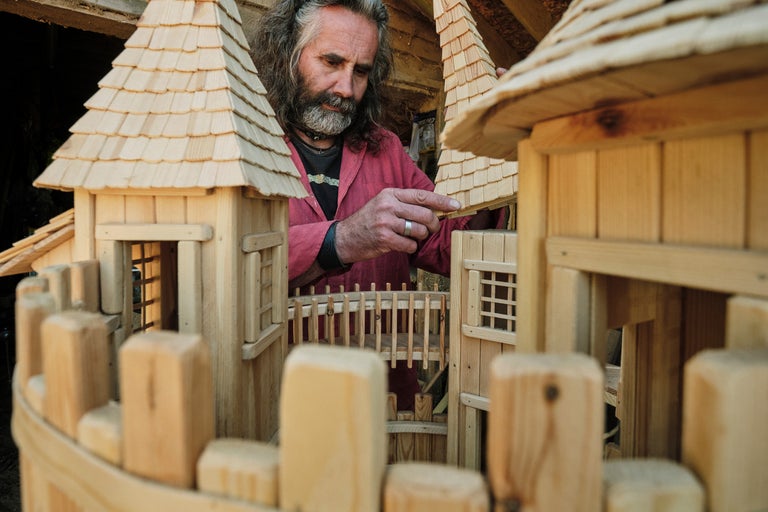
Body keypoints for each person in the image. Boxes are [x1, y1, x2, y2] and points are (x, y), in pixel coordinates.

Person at [250, 0, 503, 408]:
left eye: (361, 71)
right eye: (332, 62)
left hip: (382, 398)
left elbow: (449, 243)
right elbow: (231, 266)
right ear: (287, 53)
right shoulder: (245, 141)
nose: (346, 89)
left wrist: (493, 154)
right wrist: (342, 240)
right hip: (278, 403)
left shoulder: (385, 148)